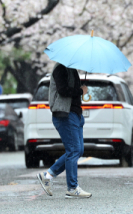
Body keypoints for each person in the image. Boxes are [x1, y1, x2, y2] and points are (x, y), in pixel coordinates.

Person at [36, 63, 92, 198]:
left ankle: (47, 175)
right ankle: (72, 187)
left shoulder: (71, 69)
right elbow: (63, 90)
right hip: (65, 115)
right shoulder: (60, 68)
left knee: (78, 150)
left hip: (76, 115)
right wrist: (80, 91)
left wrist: (81, 88)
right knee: (73, 150)